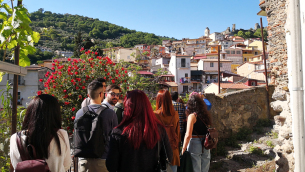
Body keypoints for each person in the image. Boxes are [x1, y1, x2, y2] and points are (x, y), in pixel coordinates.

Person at [106, 90, 173, 172]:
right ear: (147, 106)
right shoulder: (159, 129)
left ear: (127, 107)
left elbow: (111, 165)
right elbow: (169, 156)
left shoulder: (118, 132)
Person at [10, 94, 72, 172]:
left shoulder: (15, 138)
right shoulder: (61, 134)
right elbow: (67, 164)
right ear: (55, 113)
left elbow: (15, 165)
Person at [76, 81, 118, 172]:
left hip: (83, 161)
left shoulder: (79, 113)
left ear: (88, 95)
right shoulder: (110, 113)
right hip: (103, 160)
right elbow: (115, 138)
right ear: (101, 94)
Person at [181, 92, 213, 172]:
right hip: (206, 143)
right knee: (205, 166)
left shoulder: (192, 116)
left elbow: (188, 135)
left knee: (196, 167)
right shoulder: (205, 115)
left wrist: (183, 149)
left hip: (195, 142)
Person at [155, 90, 180, 172]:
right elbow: (178, 133)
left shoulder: (155, 115)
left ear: (158, 100)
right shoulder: (175, 114)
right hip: (173, 150)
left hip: (159, 151)